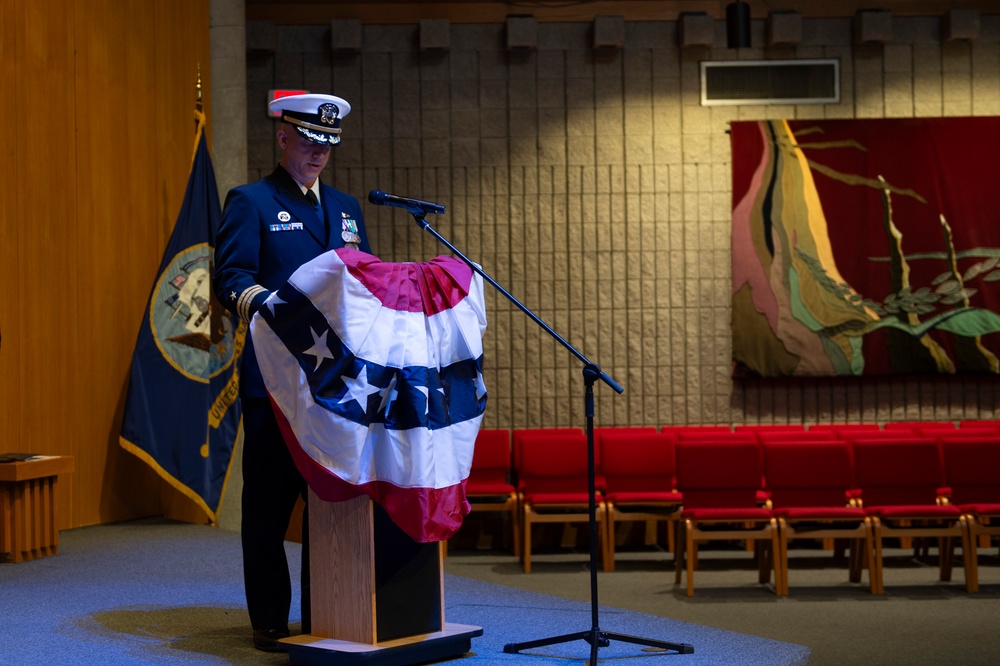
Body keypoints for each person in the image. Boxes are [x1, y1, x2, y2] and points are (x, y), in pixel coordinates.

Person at [213, 93, 372, 652]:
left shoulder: (349, 208)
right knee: (268, 510)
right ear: (282, 137)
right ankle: (269, 622)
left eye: (328, 142)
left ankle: (323, 614)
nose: (319, 152)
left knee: (329, 507)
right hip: (277, 384)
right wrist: (277, 309)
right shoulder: (251, 201)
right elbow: (231, 276)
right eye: (308, 140)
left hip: (334, 388)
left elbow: (366, 284)